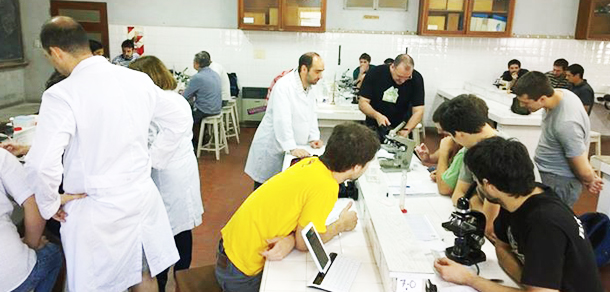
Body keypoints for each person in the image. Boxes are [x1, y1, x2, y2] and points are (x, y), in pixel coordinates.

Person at [26, 16, 184, 291]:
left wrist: (49, 203)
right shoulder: (137, 79)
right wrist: (153, 160)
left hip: (97, 210)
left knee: (98, 283)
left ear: (56, 52)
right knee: (142, 274)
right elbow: (180, 117)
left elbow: (41, 165)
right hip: (139, 197)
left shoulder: (63, 94)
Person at [217, 122, 380, 292]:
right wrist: (341, 225)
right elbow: (305, 243)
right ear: (356, 167)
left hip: (229, 249)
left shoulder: (310, 163)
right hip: (241, 271)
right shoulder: (326, 186)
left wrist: (290, 239)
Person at [435, 136, 604, 292]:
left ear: (489, 186)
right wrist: (529, 284)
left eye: (477, 181)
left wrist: (470, 279)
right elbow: (502, 247)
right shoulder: (515, 196)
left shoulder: (544, 223)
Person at [128, 56, 204, 292]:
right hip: (180, 171)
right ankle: (180, 279)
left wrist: (144, 162)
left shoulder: (159, 103)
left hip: (167, 174)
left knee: (164, 233)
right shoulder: (173, 99)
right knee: (181, 228)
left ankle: (165, 283)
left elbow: (152, 149)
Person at [513, 71, 603, 207]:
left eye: (525, 103)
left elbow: (582, 167)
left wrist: (590, 179)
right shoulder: (562, 93)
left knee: (549, 223)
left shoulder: (566, 123)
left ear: (542, 99)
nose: (522, 106)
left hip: (559, 182)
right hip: (546, 174)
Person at [244, 52, 324, 189]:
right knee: (264, 190)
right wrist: (291, 147)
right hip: (272, 146)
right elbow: (282, 120)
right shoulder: (284, 86)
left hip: (287, 148)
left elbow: (311, 114)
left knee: (278, 190)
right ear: (304, 69)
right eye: (317, 71)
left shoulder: (309, 88)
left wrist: (313, 137)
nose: (320, 76)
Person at [435, 94, 508, 237]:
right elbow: (458, 194)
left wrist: (471, 199)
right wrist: (474, 199)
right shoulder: (471, 148)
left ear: (459, 134)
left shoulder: (500, 155)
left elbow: (489, 225)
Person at [0, 148, 63, 292]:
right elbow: (35, 202)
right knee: (53, 254)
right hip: (9, 276)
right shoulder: (2, 157)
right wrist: (31, 245)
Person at [416, 95, 488, 196]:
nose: (444, 137)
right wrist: (428, 158)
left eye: (446, 132)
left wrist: (444, 152)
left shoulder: (466, 149)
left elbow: (445, 189)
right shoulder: (461, 141)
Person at [358, 54, 425, 141]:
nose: (402, 81)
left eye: (407, 78)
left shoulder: (416, 79)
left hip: (402, 126)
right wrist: (377, 115)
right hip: (375, 125)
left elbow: (419, 110)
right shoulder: (375, 73)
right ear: (392, 66)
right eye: (399, 77)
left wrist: (406, 130)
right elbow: (363, 103)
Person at [183, 51, 222, 149]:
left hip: (206, 110)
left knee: (186, 117)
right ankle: (203, 137)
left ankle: (192, 143)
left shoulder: (198, 77)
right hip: (217, 108)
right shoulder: (215, 74)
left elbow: (185, 96)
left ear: (196, 63)